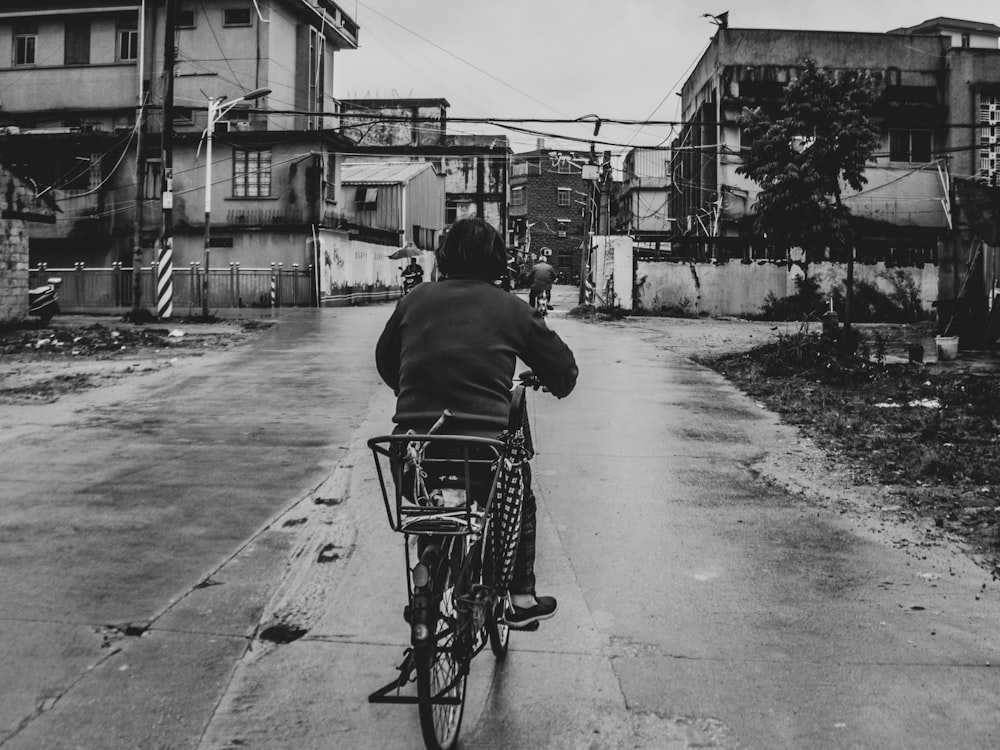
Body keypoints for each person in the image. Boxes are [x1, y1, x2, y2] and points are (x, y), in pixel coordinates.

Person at [376, 217, 578, 628]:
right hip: (480, 453)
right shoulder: (510, 308)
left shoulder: (415, 300)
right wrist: (553, 382)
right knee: (518, 488)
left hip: (413, 450)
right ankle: (520, 598)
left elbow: (385, 361)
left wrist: (418, 390)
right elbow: (565, 373)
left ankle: (429, 579)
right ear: (498, 263)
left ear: (445, 258)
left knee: (431, 513)